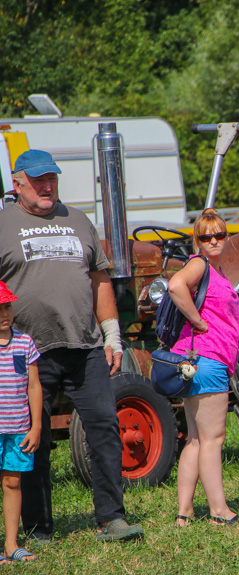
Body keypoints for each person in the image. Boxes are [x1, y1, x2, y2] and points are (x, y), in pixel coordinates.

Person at [0, 150, 143, 543]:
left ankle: (111, 518)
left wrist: (112, 335)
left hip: (85, 345)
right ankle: (37, 526)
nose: (48, 187)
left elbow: (99, 282)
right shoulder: (3, 223)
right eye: (39, 180)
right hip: (26, 351)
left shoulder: (78, 221)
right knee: (35, 437)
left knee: (104, 429)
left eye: (53, 179)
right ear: (19, 183)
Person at [169, 209, 239, 527]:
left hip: (196, 361)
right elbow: (175, 286)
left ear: (226, 237)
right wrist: (197, 320)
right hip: (208, 360)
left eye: (219, 235)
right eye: (206, 236)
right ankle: (219, 511)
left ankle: (183, 515)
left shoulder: (214, 270)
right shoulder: (199, 265)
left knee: (196, 439)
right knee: (213, 438)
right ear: (197, 241)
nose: (213, 240)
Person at [0, 282, 41, 563]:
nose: (4, 313)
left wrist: (36, 425)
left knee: (13, 482)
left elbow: (34, 386)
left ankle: (11, 544)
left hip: (17, 428)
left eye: (7, 307)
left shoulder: (25, 342)